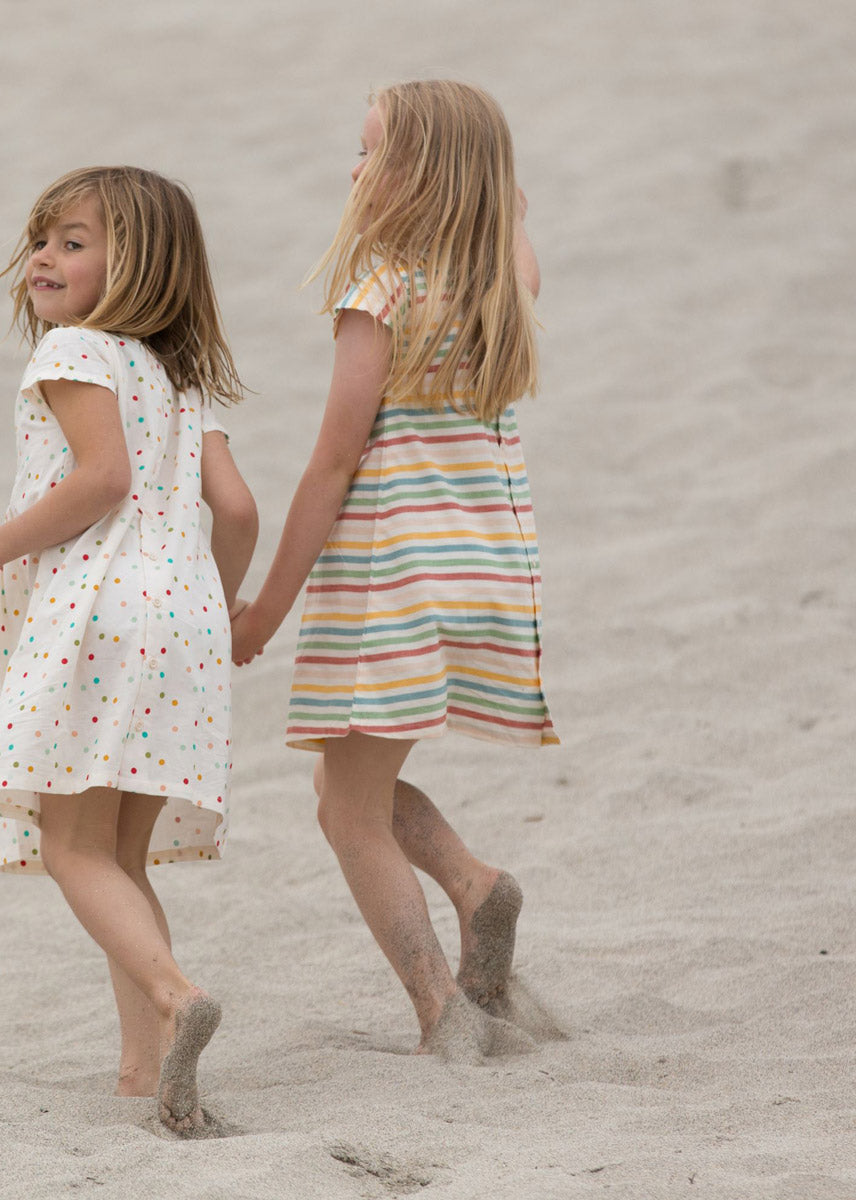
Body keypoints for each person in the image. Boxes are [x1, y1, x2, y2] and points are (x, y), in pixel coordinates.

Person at [0, 166, 258, 1134]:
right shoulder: (182, 381)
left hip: (99, 614)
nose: (45, 257)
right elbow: (235, 509)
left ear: (140, 263)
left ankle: (174, 995)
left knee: (69, 848)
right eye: (43, 238)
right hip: (185, 618)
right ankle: (139, 1069)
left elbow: (103, 479)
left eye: (74, 242)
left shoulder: (75, 353)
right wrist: (222, 607)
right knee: (122, 854)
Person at [230, 81, 557, 1057]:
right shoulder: (508, 277)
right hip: (489, 569)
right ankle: (472, 884)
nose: (354, 169)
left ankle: (439, 1011)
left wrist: (267, 611)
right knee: (349, 789)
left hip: (393, 574)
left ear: (421, 178)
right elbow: (516, 211)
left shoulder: (381, 287)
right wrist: (492, 188)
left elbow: (334, 460)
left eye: (371, 152)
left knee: (348, 816)